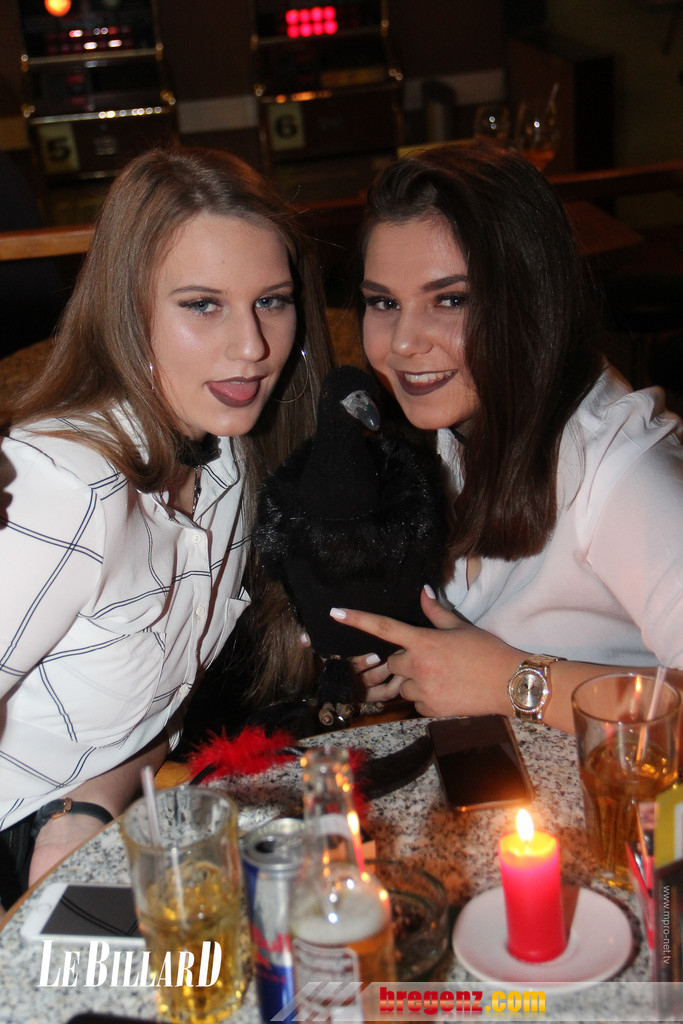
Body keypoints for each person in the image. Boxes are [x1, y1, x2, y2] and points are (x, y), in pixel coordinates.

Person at [0, 146, 332, 908]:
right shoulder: (66, 488)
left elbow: (156, 711)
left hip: (99, 825)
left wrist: (88, 809)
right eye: (202, 305)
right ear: (128, 313)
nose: (251, 346)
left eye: (271, 301)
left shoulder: (229, 460)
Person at [329, 143, 683, 734]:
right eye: (383, 302)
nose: (404, 342)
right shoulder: (447, 430)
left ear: (532, 302)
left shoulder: (621, 471)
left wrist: (508, 681)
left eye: (451, 299)